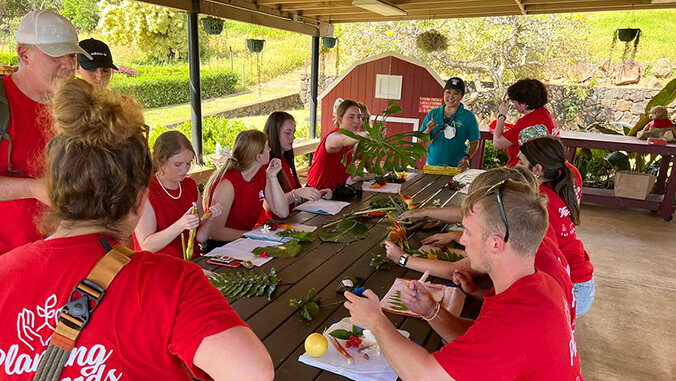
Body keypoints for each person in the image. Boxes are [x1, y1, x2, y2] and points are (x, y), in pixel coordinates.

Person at [0, 78, 274, 380]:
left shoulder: (4, 272)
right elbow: (254, 373)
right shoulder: (172, 281)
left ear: (54, 190)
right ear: (140, 199)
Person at [344, 180, 582, 380]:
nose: (463, 240)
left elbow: (423, 375)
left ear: (496, 244)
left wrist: (375, 319)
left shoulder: (514, 319)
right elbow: (481, 339)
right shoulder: (540, 284)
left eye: (468, 232)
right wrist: (432, 311)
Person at [388, 167, 576, 327]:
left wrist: (402, 258)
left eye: (468, 232)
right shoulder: (527, 230)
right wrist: (477, 294)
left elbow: (455, 269)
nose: (463, 240)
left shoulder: (519, 305)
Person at [0, 10, 92, 255]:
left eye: (72, 55)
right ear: (24, 54)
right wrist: (32, 188)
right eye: (56, 55)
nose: (69, 65)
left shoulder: (76, 103)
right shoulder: (3, 104)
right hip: (8, 263)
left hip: (64, 257)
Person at [519, 136, 595, 317]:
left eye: (521, 163)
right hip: (581, 280)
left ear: (537, 169)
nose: (516, 166)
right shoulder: (567, 174)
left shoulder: (539, 199)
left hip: (572, 286)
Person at [134, 131, 222, 259]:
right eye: (177, 165)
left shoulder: (190, 186)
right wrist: (181, 225)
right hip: (159, 266)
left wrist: (210, 219)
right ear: (160, 161)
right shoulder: (148, 191)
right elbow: (147, 246)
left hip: (191, 261)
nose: (184, 170)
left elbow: (200, 237)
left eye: (188, 163)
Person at [203, 130, 289, 247]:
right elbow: (215, 233)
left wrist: (273, 177)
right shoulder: (228, 184)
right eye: (267, 148)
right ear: (258, 156)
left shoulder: (261, 174)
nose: (270, 150)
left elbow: (282, 212)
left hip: (244, 240)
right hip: (221, 246)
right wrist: (253, 234)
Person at [261, 112, 331, 221]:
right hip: (275, 225)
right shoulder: (267, 162)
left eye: (293, 132)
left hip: (293, 218)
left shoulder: (286, 158)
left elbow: (294, 191)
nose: (293, 137)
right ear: (274, 134)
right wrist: (297, 193)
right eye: (288, 133)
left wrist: (316, 194)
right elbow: (267, 205)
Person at [492, 78, 560, 167]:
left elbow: (498, 143)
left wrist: (502, 115)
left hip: (524, 171)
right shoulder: (545, 114)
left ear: (523, 104)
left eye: (514, 101)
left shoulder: (528, 123)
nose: (514, 105)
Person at [306, 99, 368, 191]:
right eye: (351, 117)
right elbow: (344, 140)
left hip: (335, 194)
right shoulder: (333, 137)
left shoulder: (355, 142)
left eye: (359, 117)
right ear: (339, 119)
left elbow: (361, 171)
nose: (357, 121)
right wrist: (369, 134)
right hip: (315, 194)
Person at [421, 77, 480, 169]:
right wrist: (428, 130)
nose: (451, 97)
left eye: (456, 93)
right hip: (433, 166)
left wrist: (467, 158)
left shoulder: (468, 117)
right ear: (443, 93)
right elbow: (420, 141)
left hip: (457, 168)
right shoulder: (433, 114)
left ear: (462, 95)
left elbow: (475, 142)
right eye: (448, 92)